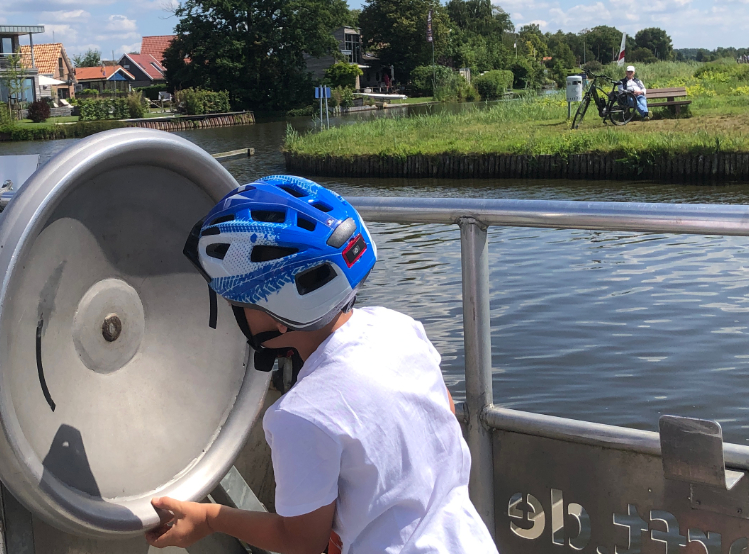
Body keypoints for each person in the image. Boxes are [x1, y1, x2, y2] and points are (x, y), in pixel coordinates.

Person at [147, 175, 496, 554]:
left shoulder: (299, 416)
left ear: (279, 314)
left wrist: (209, 518)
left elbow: (301, 542)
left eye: (237, 304)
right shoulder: (399, 328)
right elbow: (441, 421)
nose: (235, 314)